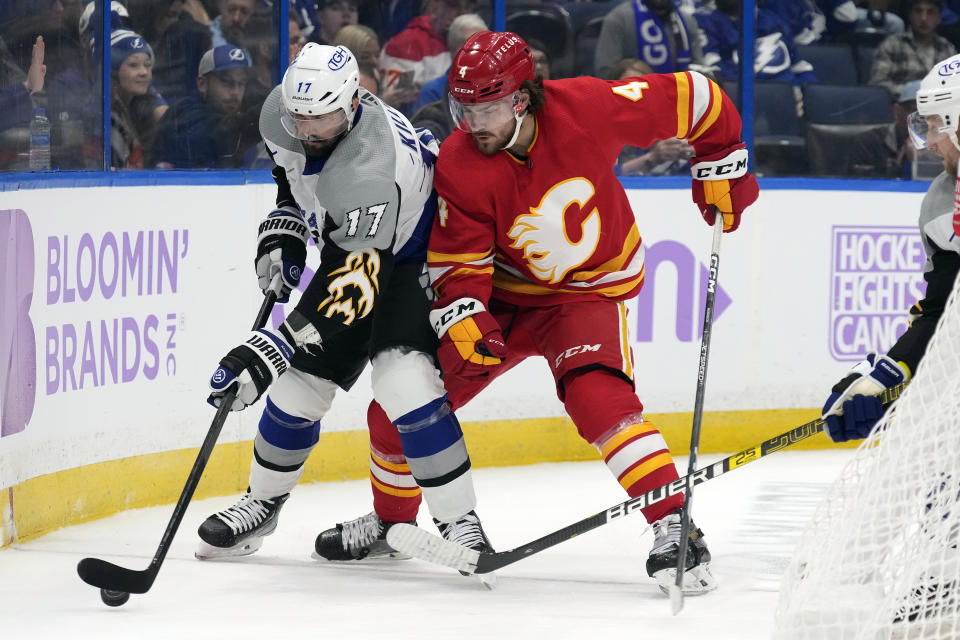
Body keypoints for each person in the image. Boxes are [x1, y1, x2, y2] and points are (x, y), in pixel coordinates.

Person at [350, 30, 759, 595]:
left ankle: (674, 524)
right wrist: (465, 315)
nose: (472, 124)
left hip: (585, 294)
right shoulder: (461, 160)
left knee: (598, 399)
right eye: (462, 109)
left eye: (486, 108)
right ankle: (391, 522)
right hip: (507, 300)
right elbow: (458, 260)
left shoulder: (589, 107)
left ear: (521, 99)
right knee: (399, 405)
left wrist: (722, 160)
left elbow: (699, 97)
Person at [196, 43, 494, 564]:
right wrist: (285, 224)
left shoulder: (369, 166)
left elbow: (354, 285)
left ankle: (460, 524)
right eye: (300, 117)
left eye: (324, 119)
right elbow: (291, 179)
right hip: (357, 246)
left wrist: (277, 343)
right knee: (296, 389)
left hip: (412, 258)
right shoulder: (280, 113)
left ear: (353, 103)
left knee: (404, 382)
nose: (308, 130)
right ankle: (262, 503)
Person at [821, 53, 960, 443]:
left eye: (935, 126)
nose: (929, 144)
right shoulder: (941, 203)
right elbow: (942, 312)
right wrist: (889, 373)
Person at [150, 43, 258, 168]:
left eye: (242, 83)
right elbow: (222, 133)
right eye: (227, 82)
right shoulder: (185, 114)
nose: (236, 92)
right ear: (202, 84)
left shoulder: (233, 117)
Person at [380, 0, 472, 109]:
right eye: (453, 6)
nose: (461, 13)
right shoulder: (404, 44)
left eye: (468, 7)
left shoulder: (470, 40)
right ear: (434, 6)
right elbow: (395, 102)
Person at [593, 0, 707, 81]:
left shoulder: (687, 21)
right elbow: (605, 72)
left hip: (679, 96)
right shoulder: (618, 19)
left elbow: (698, 67)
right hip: (631, 96)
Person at [870, 0, 956, 101]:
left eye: (930, 12)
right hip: (903, 108)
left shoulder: (947, 48)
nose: (924, 18)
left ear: (939, 18)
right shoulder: (892, 44)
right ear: (910, 15)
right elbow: (877, 83)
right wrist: (911, 92)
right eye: (918, 11)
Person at [109, 30, 167, 169]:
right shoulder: (107, 118)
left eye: (147, 65)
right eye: (133, 65)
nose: (144, 72)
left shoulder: (142, 109)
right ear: (114, 71)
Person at [410, 13, 486, 114]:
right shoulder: (432, 92)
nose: (475, 50)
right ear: (452, 49)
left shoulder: (498, 88)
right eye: (467, 43)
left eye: (481, 43)